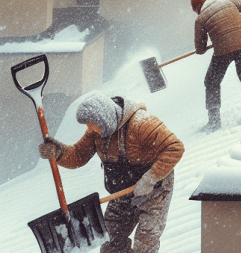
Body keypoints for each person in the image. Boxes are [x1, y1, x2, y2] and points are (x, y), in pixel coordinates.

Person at [38, 91, 184, 253]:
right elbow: (79, 155)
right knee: (110, 244)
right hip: (122, 192)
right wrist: (57, 152)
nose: (90, 128)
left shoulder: (141, 123)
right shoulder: (96, 133)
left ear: (104, 118)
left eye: (92, 124)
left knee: (145, 244)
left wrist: (150, 178)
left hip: (155, 190)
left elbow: (175, 148)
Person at [191, 0, 241, 131]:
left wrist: (202, 47)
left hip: (223, 51)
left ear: (198, 7)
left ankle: (214, 122)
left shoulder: (201, 19)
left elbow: (200, 48)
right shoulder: (228, 2)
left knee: (211, 82)